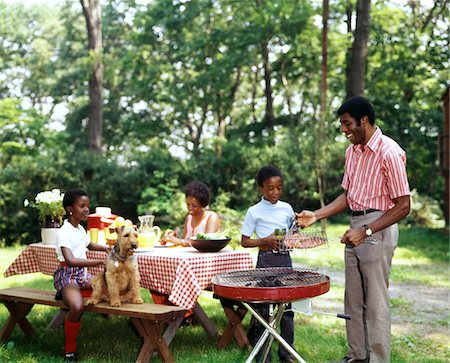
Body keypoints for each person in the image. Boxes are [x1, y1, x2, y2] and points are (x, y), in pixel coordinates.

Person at [297, 96, 410, 363]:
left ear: (365, 121)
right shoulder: (352, 152)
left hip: (378, 228)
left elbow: (403, 206)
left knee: (376, 303)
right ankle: (357, 357)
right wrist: (316, 215)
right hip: (354, 228)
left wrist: (367, 231)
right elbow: (348, 195)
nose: (344, 130)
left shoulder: (389, 152)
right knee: (353, 301)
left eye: (347, 124)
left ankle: (379, 360)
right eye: (342, 124)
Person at [241, 165, 296, 363]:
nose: (275, 192)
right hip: (265, 261)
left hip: (284, 260)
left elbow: (292, 232)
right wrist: (264, 241)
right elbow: (245, 241)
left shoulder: (287, 208)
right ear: (261, 189)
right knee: (263, 311)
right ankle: (263, 356)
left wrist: (294, 237)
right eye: (270, 188)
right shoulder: (254, 212)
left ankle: (287, 353)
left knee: (287, 310)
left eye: (279, 188)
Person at [53, 189, 110, 362]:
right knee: (77, 307)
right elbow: (70, 261)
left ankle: (78, 292)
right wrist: (100, 262)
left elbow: (89, 244)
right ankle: (70, 350)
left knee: (112, 289)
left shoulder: (80, 229)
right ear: (70, 209)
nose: (87, 210)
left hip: (83, 274)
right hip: (68, 275)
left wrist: (106, 248)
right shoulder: (64, 231)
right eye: (82, 206)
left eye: (88, 206)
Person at [160, 181, 220, 246]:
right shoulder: (189, 218)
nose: (190, 209)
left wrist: (180, 241)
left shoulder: (211, 217)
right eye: (188, 204)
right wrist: (173, 237)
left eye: (194, 206)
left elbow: (208, 242)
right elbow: (184, 242)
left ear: (202, 205)